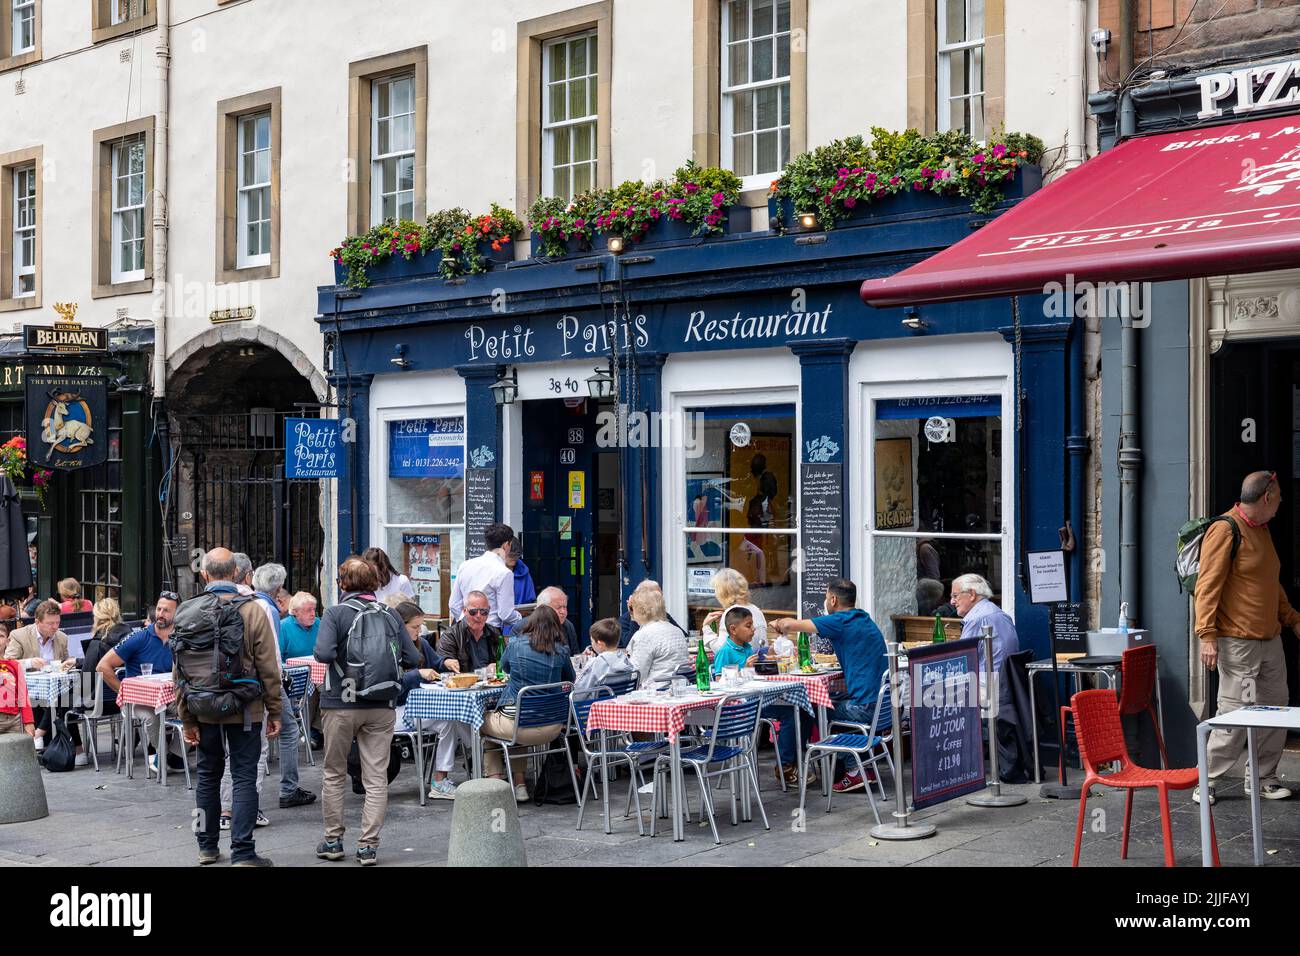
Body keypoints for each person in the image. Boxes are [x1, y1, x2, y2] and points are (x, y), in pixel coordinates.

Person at [1195, 470, 1299, 804]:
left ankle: (1262, 778)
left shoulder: (1262, 531)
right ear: (1266, 497)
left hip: (1270, 640)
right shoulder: (1226, 529)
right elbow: (1207, 586)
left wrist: (1292, 618)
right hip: (1237, 641)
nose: (1282, 502)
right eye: (1279, 497)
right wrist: (1206, 635)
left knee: (1274, 709)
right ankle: (1207, 779)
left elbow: (1271, 583)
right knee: (1235, 712)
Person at [178, 548, 282, 867]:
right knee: (244, 775)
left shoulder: (186, 610)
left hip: (203, 706)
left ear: (205, 574)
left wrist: (186, 718)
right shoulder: (254, 611)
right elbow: (268, 667)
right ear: (236, 573)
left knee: (208, 775)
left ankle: (207, 846)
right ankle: (243, 851)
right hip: (245, 708)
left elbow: (178, 670)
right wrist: (274, 710)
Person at [314, 556, 421, 865]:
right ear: (375, 583)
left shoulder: (335, 613)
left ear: (342, 584)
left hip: (341, 703)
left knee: (334, 773)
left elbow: (322, 654)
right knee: (376, 778)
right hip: (381, 704)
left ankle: (333, 841)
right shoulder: (390, 614)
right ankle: (368, 847)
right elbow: (412, 658)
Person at [771, 579, 888, 792]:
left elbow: (790, 625)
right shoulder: (864, 618)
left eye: (826, 597)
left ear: (833, 599)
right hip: (883, 707)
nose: (825, 601)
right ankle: (857, 766)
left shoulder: (839, 621)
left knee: (812, 705)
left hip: (864, 709)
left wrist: (776, 623)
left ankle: (850, 770)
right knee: (832, 698)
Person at [483, 605, 574, 802]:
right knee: (517, 721)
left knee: (481, 723)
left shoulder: (515, 644)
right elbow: (570, 679)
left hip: (519, 725)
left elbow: (504, 667)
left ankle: (497, 784)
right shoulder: (562, 650)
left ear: (530, 623)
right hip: (554, 727)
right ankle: (520, 785)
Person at [249, 563, 314, 813]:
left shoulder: (247, 603)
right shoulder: (269, 609)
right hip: (267, 679)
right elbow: (273, 653)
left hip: (250, 680)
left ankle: (239, 802)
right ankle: (286, 789)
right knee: (285, 731)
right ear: (278, 588)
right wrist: (275, 692)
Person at [98, 592, 181, 775]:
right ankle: (164, 754)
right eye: (159, 609)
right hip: (139, 700)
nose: (160, 613)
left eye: (166, 610)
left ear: (177, 614)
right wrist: (125, 692)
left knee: (196, 709)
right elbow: (103, 666)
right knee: (151, 716)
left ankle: (173, 755)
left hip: (171, 696)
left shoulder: (182, 638)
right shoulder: (139, 638)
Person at [391, 602, 463, 800]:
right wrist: (417, 674)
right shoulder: (390, 647)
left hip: (415, 709)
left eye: (420, 626)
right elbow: (391, 683)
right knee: (447, 720)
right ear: (400, 625)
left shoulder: (420, 643)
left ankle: (440, 779)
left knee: (449, 720)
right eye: (414, 627)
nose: (418, 630)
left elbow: (437, 662)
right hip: (394, 711)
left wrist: (446, 662)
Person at [4, 600, 73, 753]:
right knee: (63, 699)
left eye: (57, 622)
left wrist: (68, 664)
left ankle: (42, 735)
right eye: (50, 623)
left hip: (54, 689)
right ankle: (73, 748)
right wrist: (29, 662)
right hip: (28, 690)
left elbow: (65, 662)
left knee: (65, 695)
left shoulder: (61, 637)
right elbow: (6, 664)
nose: (55, 627)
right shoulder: (19, 635)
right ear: (37, 622)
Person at [448, 522, 521, 630]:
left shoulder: (465, 565)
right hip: (489, 631)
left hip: (463, 629)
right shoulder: (504, 573)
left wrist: (468, 621)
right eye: (510, 544)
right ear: (506, 545)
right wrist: (521, 617)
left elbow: (454, 604)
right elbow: (505, 614)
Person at [951, 573, 1020, 678]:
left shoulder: (976, 618)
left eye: (955, 596)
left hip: (986, 686)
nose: (952, 601)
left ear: (972, 594)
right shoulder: (997, 612)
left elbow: (961, 661)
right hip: (1007, 683)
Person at [626, 582, 689, 690]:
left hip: (655, 692)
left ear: (641, 610)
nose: (631, 612)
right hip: (679, 688)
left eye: (632, 608)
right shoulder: (676, 630)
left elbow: (637, 674)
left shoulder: (644, 635)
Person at [698, 568, 768, 655]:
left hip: (738, 666)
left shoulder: (731, 612)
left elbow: (721, 651)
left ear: (722, 592)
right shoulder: (756, 609)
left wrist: (706, 628)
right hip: (756, 664)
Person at [437, 589, 502, 673]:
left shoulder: (495, 633)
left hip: (492, 683)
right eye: (473, 612)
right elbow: (443, 669)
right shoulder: (450, 636)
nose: (479, 616)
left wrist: (499, 666)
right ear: (465, 611)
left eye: (484, 612)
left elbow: (505, 664)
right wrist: (484, 672)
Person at [618, 580, 687, 648]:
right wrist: (634, 618)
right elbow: (628, 645)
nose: (661, 601)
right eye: (657, 598)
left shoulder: (664, 615)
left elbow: (684, 636)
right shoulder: (625, 619)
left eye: (661, 597)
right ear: (643, 598)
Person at [574, 618, 633, 692]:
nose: (591, 644)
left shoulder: (596, 663)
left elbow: (579, 691)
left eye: (592, 641)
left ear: (600, 644)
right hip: (619, 701)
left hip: (594, 702)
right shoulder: (625, 660)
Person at [710, 606, 758, 677]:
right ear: (733, 629)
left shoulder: (747, 647)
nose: (753, 628)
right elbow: (719, 681)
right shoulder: (724, 652)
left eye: (752, 625)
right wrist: (745, 669)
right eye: (748, 626)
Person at [536, 585, 583, 652]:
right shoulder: (525, 627)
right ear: (543, 608)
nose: (563, 612)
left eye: (565, 607)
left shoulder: (568, 625)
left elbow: (574, 653)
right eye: (558, 607)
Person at [0, 654, 34, 737]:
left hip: (15, 720)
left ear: (8, 641)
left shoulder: (14, 665)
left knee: (17, 748)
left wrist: (28, 721)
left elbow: (23, 695)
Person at [279, 592, 320, 660]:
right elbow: (277, 658)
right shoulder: (282, 627)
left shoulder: (318, 623)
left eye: (314, 609)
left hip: (317, 669)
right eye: (309, 610)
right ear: (295, 612)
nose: (313, 614)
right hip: (292, 669)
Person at [507, 538, 537, 606]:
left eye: (517, 555)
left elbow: (531, 600)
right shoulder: (494, 571)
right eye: (511, 555)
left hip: (522, 614)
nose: (514, 558)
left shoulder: (523, 571)